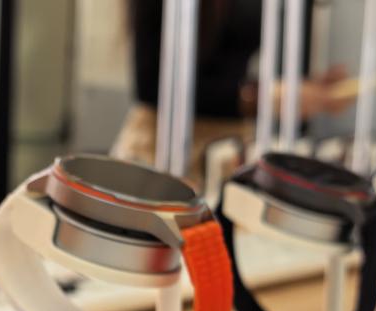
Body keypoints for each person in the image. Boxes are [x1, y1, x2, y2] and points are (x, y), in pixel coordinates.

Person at [113, 0, 355, 189]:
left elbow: (233, 64)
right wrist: (260, 98)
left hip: (227, 149)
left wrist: (310, 90)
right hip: (162, 144)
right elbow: (151, 85)